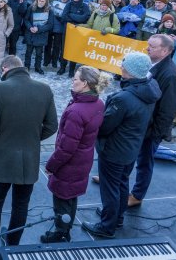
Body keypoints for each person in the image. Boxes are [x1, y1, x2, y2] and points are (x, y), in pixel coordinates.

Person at [0, 55, 58, 256]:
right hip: (29, 160)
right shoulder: (44, 89)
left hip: (2, 158)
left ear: (5, 68)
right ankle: (13, 245)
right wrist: (32, 138)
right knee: (21, 206)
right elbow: (52, 126)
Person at [82, 52, 161, 238]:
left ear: (132, 71)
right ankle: (117, 216)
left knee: (109, 188)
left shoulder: (124, 98)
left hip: (114, 150)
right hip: (131, 147)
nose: (121, 67)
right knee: (122, 182)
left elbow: (106, 126)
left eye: (124, 66)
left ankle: (107, 226)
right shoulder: (150, 87)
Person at [42, 66, 108, 243]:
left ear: (85, 83)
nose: (73, 81)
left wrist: (51, 166)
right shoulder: (98, 103)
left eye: (76, 79)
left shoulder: (76, 111)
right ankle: (66, 227)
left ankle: (61, 234)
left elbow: (66, 148)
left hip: (70, 164)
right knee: (71, 197)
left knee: (62, 200)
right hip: (83, 160)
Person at [128, 34, 176, 208]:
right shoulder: (152, 64)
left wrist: (155, 134)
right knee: (129, 154)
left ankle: (137, 194)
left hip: (151, 129)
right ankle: (119, 179)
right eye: (148, 44)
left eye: (152, 46)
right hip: (140, 123)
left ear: (165, 51)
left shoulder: (171, 75)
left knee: (144, 161)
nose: (147, 48)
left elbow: (169, 109)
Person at [24, 0, 54, 74]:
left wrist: (39, 29)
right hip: (31, 33)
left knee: (39, 53)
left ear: (46, 2)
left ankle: (38, 67)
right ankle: (26, 67)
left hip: (41, 34)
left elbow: (50, 24)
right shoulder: (31, 8)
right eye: (39, 0)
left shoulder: (50, 10)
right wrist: (30, 27)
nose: (40, 2)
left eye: (42, 1)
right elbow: (26, 20)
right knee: (28, 52)